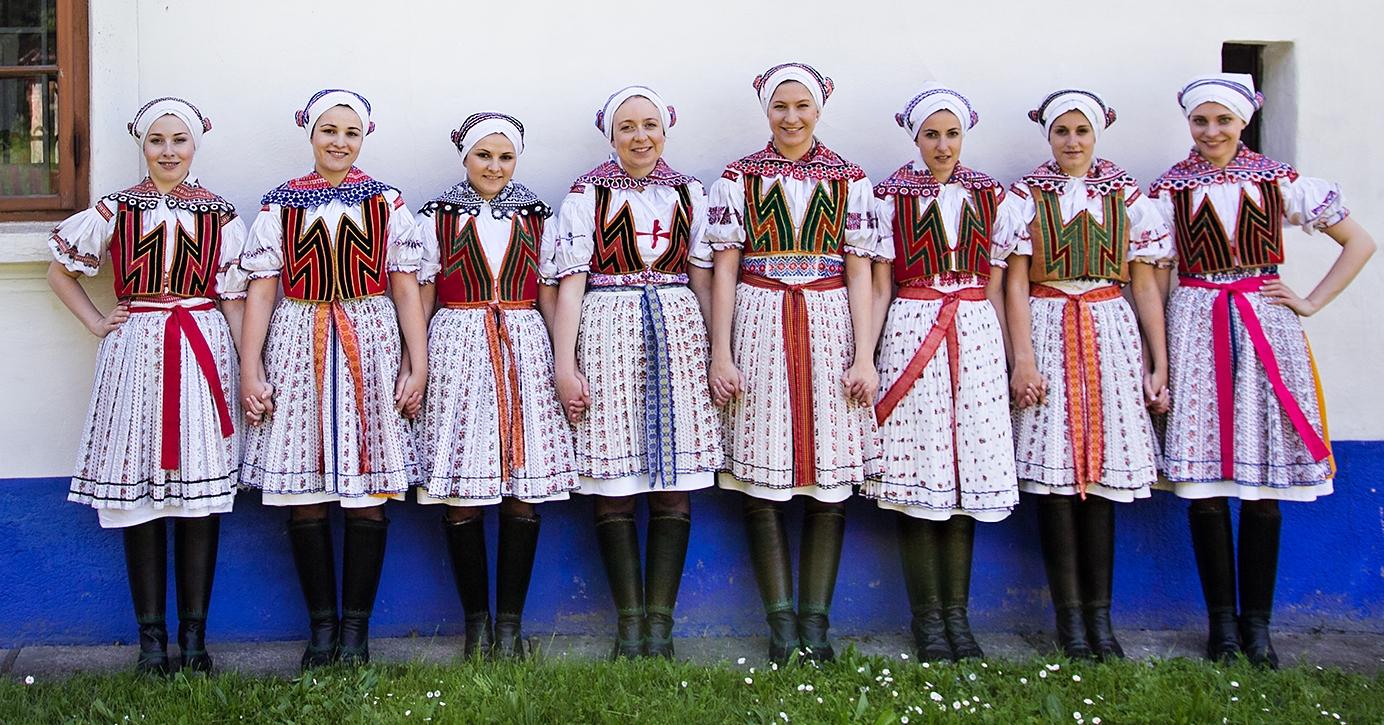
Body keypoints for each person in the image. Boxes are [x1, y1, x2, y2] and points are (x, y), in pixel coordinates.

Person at [1152, 74, 1375, 667]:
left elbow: (1358, 242)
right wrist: (1161, 357)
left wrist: (1310, 301)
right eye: (1201, 121)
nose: (1211, 132)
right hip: (1196, 323)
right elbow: (1157, 271)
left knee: (1262, 484)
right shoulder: (1169, 189)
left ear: (1243, 122)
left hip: (1264, 328)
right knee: (1204, 486)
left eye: (1222, 120)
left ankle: (1258, 628)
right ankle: (1221, 628)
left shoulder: (1279, 182)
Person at [47, 97, 245, 674]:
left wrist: (248, 364)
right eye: (157, 140)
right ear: (143, 145)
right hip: (136, 351)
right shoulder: (116, 209)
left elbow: (233, 298)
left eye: (178, 140)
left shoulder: (219, 214)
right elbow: (61, 270)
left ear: (194, 144)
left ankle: (195, 641)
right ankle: (152, 644)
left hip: (201, 345)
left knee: (198, 497)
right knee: (140, 495)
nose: (168, 151)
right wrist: (96, 322)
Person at [238, 88, 428, 667]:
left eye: (351, 133)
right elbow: (262, 290)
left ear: (364, 137)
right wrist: (251, 365)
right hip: (300, 338)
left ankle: (355, 631)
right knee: (306, 493)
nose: (339, 142)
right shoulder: (280, 205)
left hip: (370, 338)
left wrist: (416, 361)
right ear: (311, 134)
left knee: (367, 490)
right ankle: (321, 629)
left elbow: (405, 287)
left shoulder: (387, 202)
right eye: (329, 131)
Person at [704, 63, 879, 663]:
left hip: (828, 323)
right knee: (764, 473)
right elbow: (725, 269)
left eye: (802, 105)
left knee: (828, 480)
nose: (791, 117)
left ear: (819, 109)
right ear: (766, 111)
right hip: (759, 321)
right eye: (780, 106)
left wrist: (864, 353)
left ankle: (816, 623)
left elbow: (860, 269)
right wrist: (721, 351)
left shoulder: (850, 179)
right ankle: (781, 624)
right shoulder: (739, 178)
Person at [546, 86, 723, 658]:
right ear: (612, 135)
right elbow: (571, 285)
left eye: (650, 125)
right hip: (607, 333)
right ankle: (629, 625)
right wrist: (565, 364)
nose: (640, 136)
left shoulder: (689, 192)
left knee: (673, 486)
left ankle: (660, 626)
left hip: (677, 331)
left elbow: (702, 278)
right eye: (627, 127)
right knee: (615, 484)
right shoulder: (587, 194)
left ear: (665, 130)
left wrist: (716, 350)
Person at [1005, 89, 1171, 659]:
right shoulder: (1026, 196)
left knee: (1099, 481)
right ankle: (1069, 622)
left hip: (1107, 327)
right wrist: (1023, 357)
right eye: (1062, 131)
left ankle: (1101, 620)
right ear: (1049, 136)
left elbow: (1144, 284)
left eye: (1081, 131)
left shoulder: (1126, 196)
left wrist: (1157, 360)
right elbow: (1016, 283)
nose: (1072, 141)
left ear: (1096, 135)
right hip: (1049, 324)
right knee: (1055, 479)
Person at [864, 83, 1021, 661]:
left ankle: (959, 617)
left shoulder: (990, 196)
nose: (942, 145)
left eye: (952, 134)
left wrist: (1014, 356)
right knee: (920, 468)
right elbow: (880, 286)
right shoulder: (889, 197)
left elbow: (998, 284)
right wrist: (868, 353)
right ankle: (927, 619)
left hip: (975, 330)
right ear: (915, 138)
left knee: (965, 473)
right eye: (931, 134)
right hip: (912, 326)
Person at [415, 112, 577, 658]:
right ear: (465, 156)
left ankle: (510, 626)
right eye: (484, 155)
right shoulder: (436, 216)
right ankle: (476, 625)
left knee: (521, 489)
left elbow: (549, 293)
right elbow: (423, 294)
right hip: (457, 346)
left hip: (523, 345)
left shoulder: (537, 215)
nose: (494, 166)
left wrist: (562, 363)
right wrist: (417, 363)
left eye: (505, 157)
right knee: (464, 487)